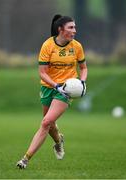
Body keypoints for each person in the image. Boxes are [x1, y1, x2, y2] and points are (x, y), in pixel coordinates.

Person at [16, 14, 88, 169]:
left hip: (66, 91)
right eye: (71, 27)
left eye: (74, 27)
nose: (74, 30)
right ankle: (58, 141)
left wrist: (82, 82)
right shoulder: (47, 46)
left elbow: (83, 68)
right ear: (60, 29)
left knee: (46, 122)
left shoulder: (77, 46)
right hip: (49, 87)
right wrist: (56, 86)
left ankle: (25, 159)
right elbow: (42, 72)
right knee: (50, 124)